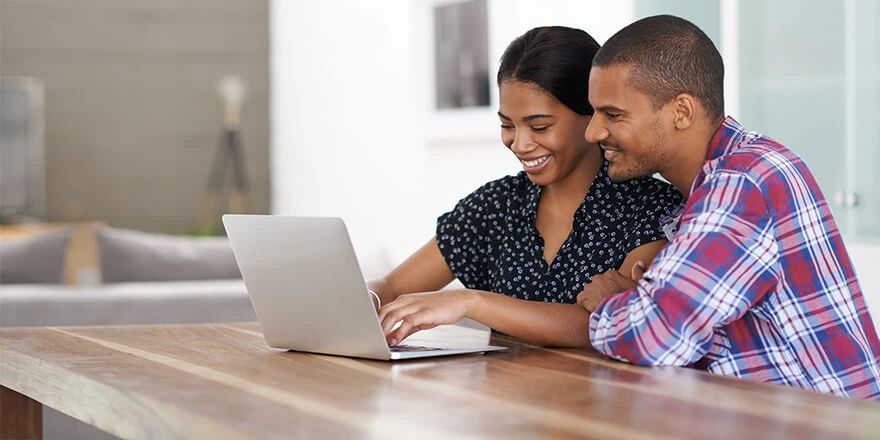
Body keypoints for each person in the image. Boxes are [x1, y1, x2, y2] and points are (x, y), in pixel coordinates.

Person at [578, 14, 880, 399]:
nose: (593, 133)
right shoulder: (724, 178)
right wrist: (638, 304)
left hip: (824, 424)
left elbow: (657, 338)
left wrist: (612, 303)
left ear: (681, 112)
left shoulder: (744, 181)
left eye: (613, 115)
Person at [370, 26, 682, 348]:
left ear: (593, 114)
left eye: (539, 126)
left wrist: (472, 302)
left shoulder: (653, 210)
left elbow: (607, 322)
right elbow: (393, 287)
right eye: (507, 125)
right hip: (505, 395)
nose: (519, 143)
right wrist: (365, 299)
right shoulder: (496, 205)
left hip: (597, 397)